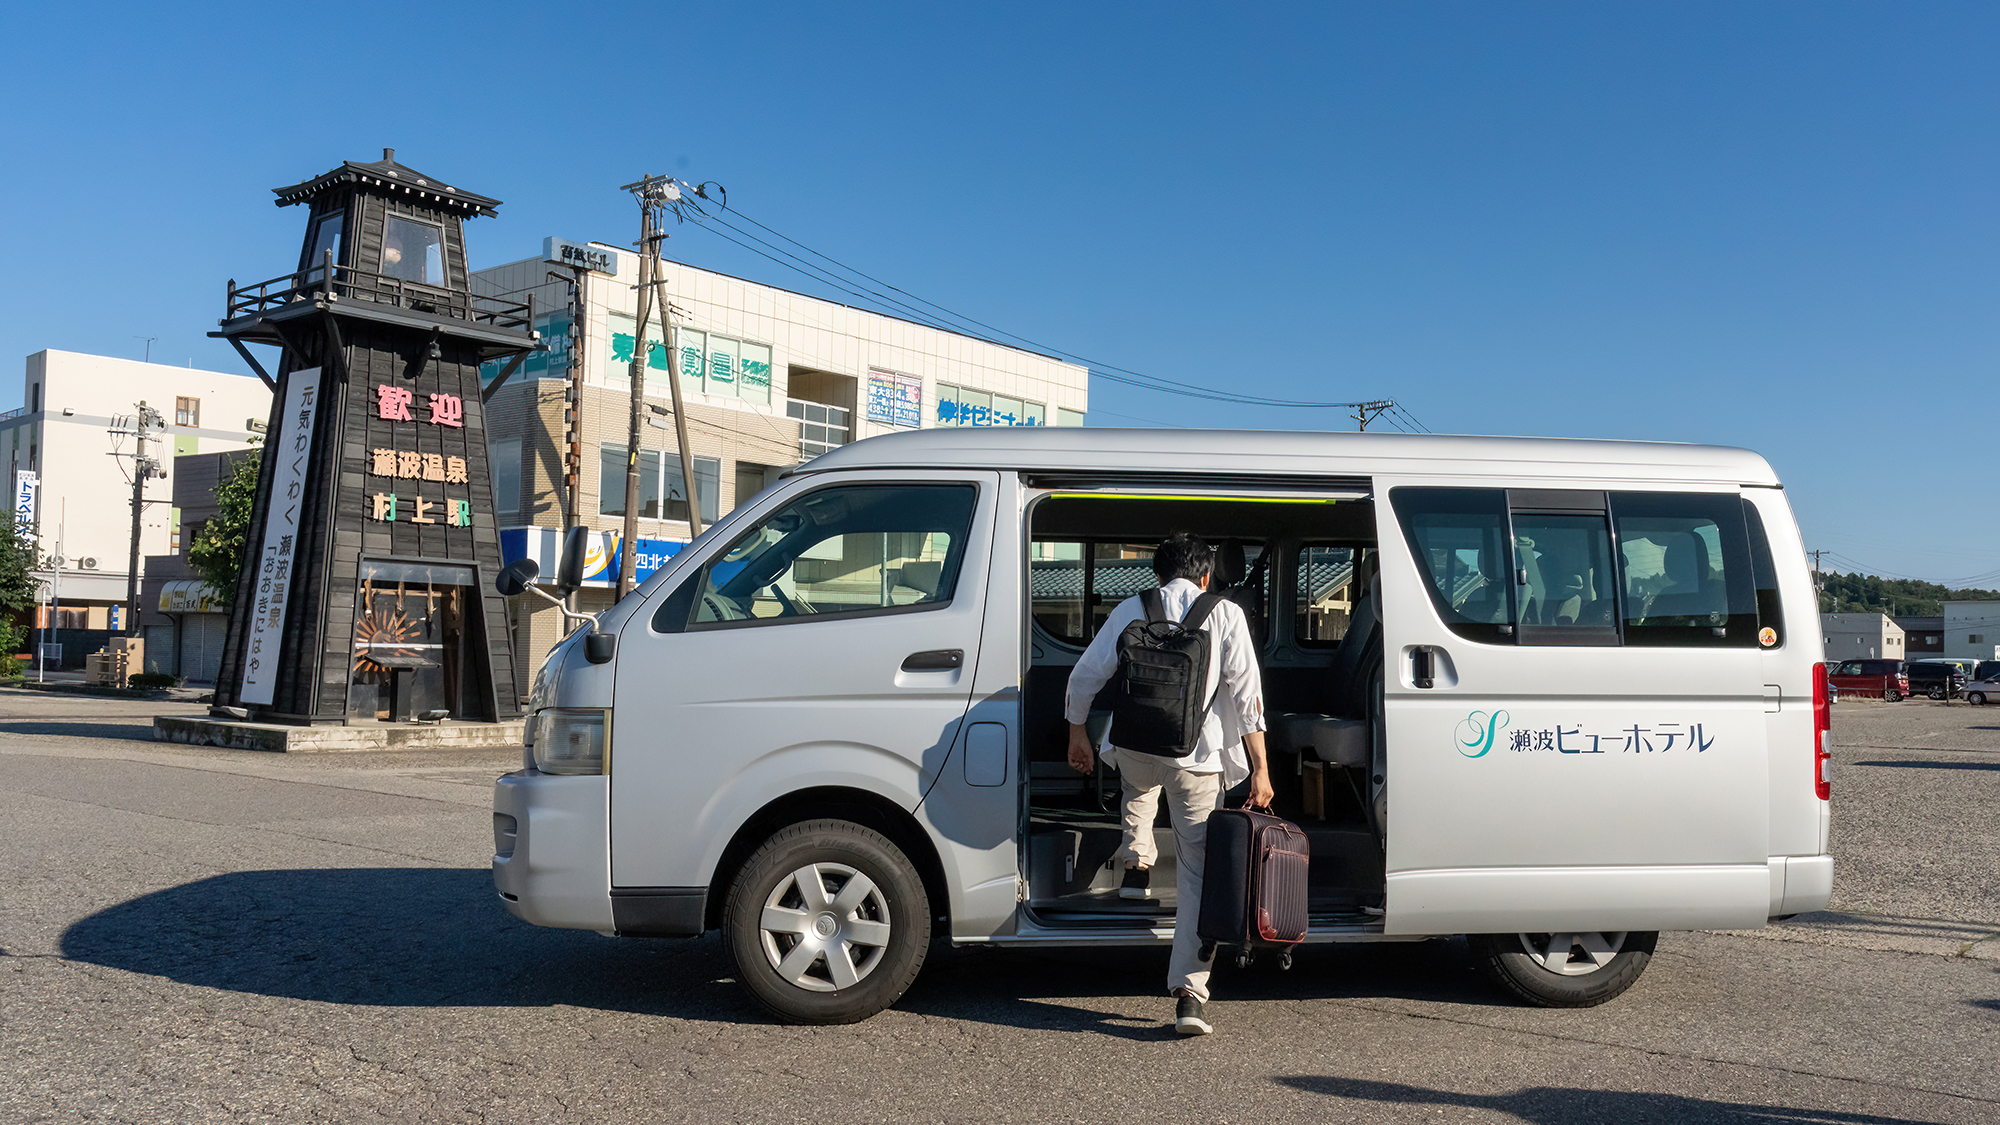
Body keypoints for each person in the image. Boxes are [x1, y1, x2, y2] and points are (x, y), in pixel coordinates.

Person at [1063, 532, 1271, 1036]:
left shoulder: (1131, 608)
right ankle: (1189, 995)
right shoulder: (1224, 614)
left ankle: (1136, 863)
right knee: (1198, 875)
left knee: (1137, 788)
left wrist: (1078, 736)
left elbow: (1084, 676)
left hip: (1133, 748)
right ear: (1206, 575)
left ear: (1157, 574)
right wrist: (1260, 768)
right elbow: (1248, 699)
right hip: (1196, 760)